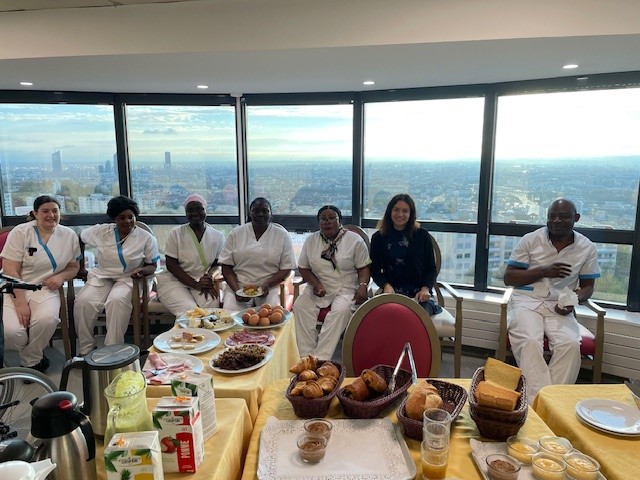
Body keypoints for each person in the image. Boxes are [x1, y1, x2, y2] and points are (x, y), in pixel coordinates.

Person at [503, 198, 601, 400]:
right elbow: (509, 277)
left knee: (570, 345)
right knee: (530, 341)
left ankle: (548, 400)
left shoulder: (586, 247)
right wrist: (544, 271)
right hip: (526, 301)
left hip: (559, 305)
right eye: (552, 216)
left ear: (576, 218)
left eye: (563, 216)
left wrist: (573, 299)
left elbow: (588, 287)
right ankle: (543, 402)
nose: (556, 220)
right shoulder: (531, 240)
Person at [1, 195, 81, 371]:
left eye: (55, 211)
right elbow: (10, 270)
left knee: (47, 319)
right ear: (35, 214)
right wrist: (20, 303)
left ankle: (30, 361)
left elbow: (74, 267)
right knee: (12, 331)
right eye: (45, 211)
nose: (51, 215)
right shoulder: (21, 232)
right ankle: (34, 357)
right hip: (13, 288)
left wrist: (60, 277)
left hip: (45, 288)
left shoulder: (68, 235)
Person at [74, 195, 160, 355]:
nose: (127, 221)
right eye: (122, 218)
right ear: (114, 219)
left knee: (116, 301)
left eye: (130, 217)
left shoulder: (146, 238)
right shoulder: (102, 232)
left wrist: (141, 271)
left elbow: (152, 266)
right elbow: (79, 238)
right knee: (83, 302)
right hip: (103, 276)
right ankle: (85, 349)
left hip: (130, 279)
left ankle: (112, 350)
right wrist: (80, 267)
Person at [293, 205, 371, 360]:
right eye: (323, 219)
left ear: (340, 220)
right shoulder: (311, 240)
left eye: (331, 218)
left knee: (340, 311)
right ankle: (305, 357)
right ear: (318, 223)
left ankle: (320, 359)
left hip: (346, 287)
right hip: (318, 286)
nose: (327, 222)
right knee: (300, 306)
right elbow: (303, 267)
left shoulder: (354, 240)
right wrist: (316, 284)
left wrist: (363, 286)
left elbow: (364, 268)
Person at [370, 193, 443, 317]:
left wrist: (425, 289)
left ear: (411, 214)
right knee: (383, 318)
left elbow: (431, 268)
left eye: (405, 211)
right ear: (389, 212)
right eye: (396, 210)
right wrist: (385, 285)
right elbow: (374, 270)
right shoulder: (378, 238)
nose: (400, 214)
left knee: (416, 319)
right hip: (391, 293)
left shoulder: (422, 235)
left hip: (419, 295)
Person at [219, 197, 296, 311]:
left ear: (271, 214)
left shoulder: (282, 235)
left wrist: (268, 284)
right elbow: (226, 266)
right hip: (239, 285)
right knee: (230, 313)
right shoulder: (236, 234)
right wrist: (237, 290)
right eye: (256, 211)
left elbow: (287, 268)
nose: (260, 214)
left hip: (270, 286)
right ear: (250, 213)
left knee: (270, 313)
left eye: (265, 211)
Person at [156, 194, 225, 316]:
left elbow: (218, 264)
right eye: (190, 210)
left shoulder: (217, 236)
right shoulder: (176, 233)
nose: (195, 213)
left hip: (201, 281)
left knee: (211, 304)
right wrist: (195, 284)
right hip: (174, 282)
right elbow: (171, 265)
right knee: (190, 311)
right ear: (185, 213)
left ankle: (207, 330)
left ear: (206, 210)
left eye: (199, 209)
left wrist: (209, 278)